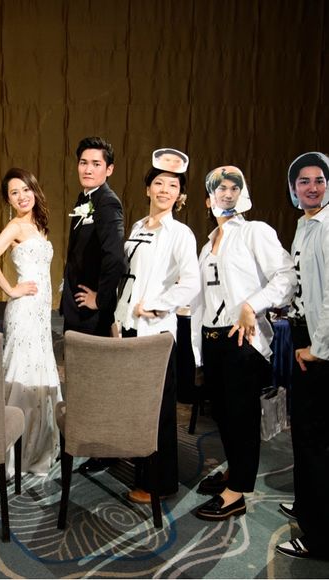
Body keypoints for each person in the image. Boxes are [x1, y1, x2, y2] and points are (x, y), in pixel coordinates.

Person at [191, 165, 296, 521]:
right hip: (213, 339)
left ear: (242, 193)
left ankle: (237, 492)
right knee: (222, 414)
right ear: (208, 200)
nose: (227, 193)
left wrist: (253, 305)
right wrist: (198, 351)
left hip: (243, 339)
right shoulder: (207, 246)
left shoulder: (254, 232)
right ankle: (234, 470)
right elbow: (200, 301)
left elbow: (286, 276)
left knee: (241, 417)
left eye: (233, 187)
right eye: (219, 189)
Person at [114, 150, 200, 503]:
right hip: (130, 329)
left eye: (173, 185)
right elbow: (127, 279)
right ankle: (143, 473)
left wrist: (156, 305)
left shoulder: (180, 233)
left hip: (156, 333)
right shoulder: (137, 227)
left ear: (180, 195)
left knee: (159, 411)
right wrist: (118, 317)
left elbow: (191, 282)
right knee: (138, 405)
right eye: (159, 183)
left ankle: (161, 483)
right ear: (147, 188)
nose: (165, 190)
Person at [0, 168, 61, 475]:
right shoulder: (15, 226)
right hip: (24, 310)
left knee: (37, 369)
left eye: (25, 189)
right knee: (21, 371)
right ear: (8, 200)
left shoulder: (38, 225)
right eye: (14, 193)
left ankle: (36, 443)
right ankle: (14, 445)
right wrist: (11, 290)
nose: (22, 196)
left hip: (39, 312)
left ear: (34, 190)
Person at [60, 136, 125, 473]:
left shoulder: (107, 203)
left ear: (108, 169)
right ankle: (87, 443)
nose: (88, 169)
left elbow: (116, 258)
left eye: (96, 164)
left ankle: (105, 450)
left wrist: (100, 298)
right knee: (83, 379)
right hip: (77, 308)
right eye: (83, 162)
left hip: (91, 313)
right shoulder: (85, 199)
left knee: (95, 381)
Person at [275, 152, 329, 560]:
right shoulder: (305, 224)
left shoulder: (326, 228)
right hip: (305, 335)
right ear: (294, 188)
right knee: (305, 433)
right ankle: (308, 505)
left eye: (319, 180)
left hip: (320, 346)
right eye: (304, 181)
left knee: (316, 439)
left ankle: (319, 537)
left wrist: (318, 348)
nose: (312, 187)